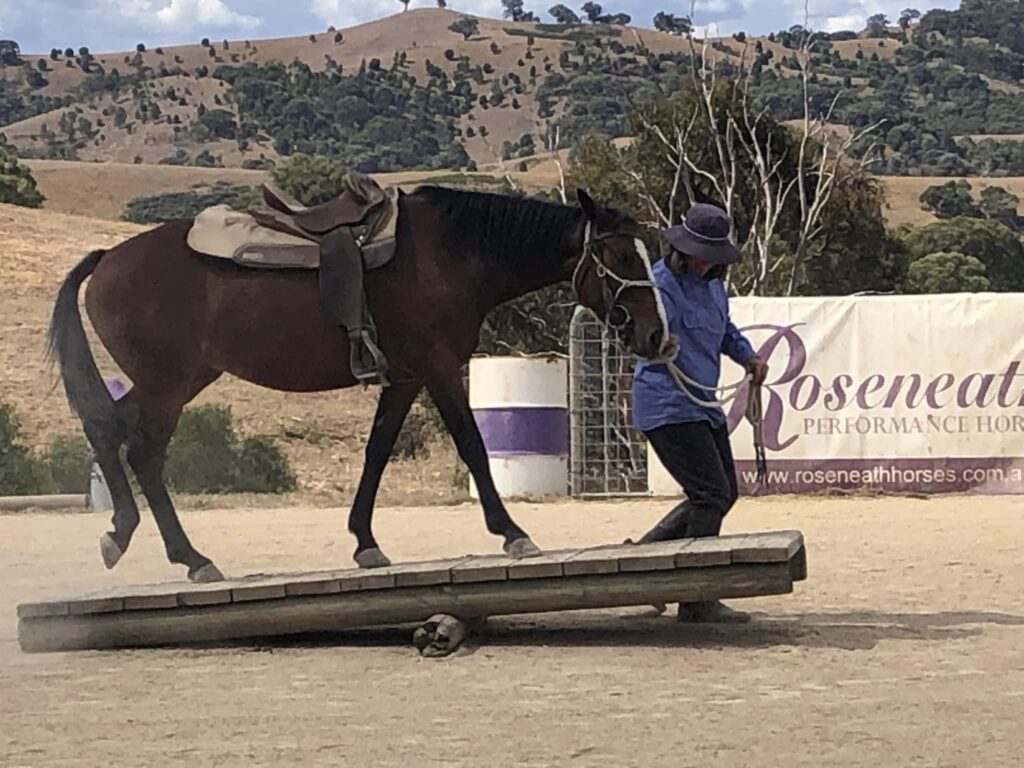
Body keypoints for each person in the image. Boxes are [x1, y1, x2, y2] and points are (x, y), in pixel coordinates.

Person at [630, 202, 768, 623]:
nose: (707, 262)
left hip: (703, 405)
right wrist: (655, 345)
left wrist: (748, 357)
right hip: (665, 403)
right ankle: (695, 595)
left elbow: (724, 331)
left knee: (723, 492)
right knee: (710, 494)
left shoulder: (713, 288)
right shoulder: (656, 284)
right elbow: (637, 333)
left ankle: (643, 562)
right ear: (683, 249)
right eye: (701, 252)